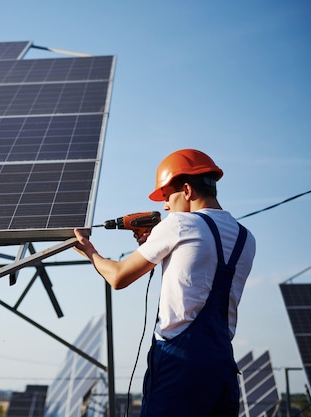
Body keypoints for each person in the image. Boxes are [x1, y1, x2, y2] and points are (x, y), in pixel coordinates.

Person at [73, 149, 256, 416]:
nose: (165, 207)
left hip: (179, 368)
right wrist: (157, 244)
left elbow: (118, 277)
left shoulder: (180, 224)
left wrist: (89, 252)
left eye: (167, 197)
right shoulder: (246, 238)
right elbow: (201, 268)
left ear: (187, 190)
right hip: (222, 369)